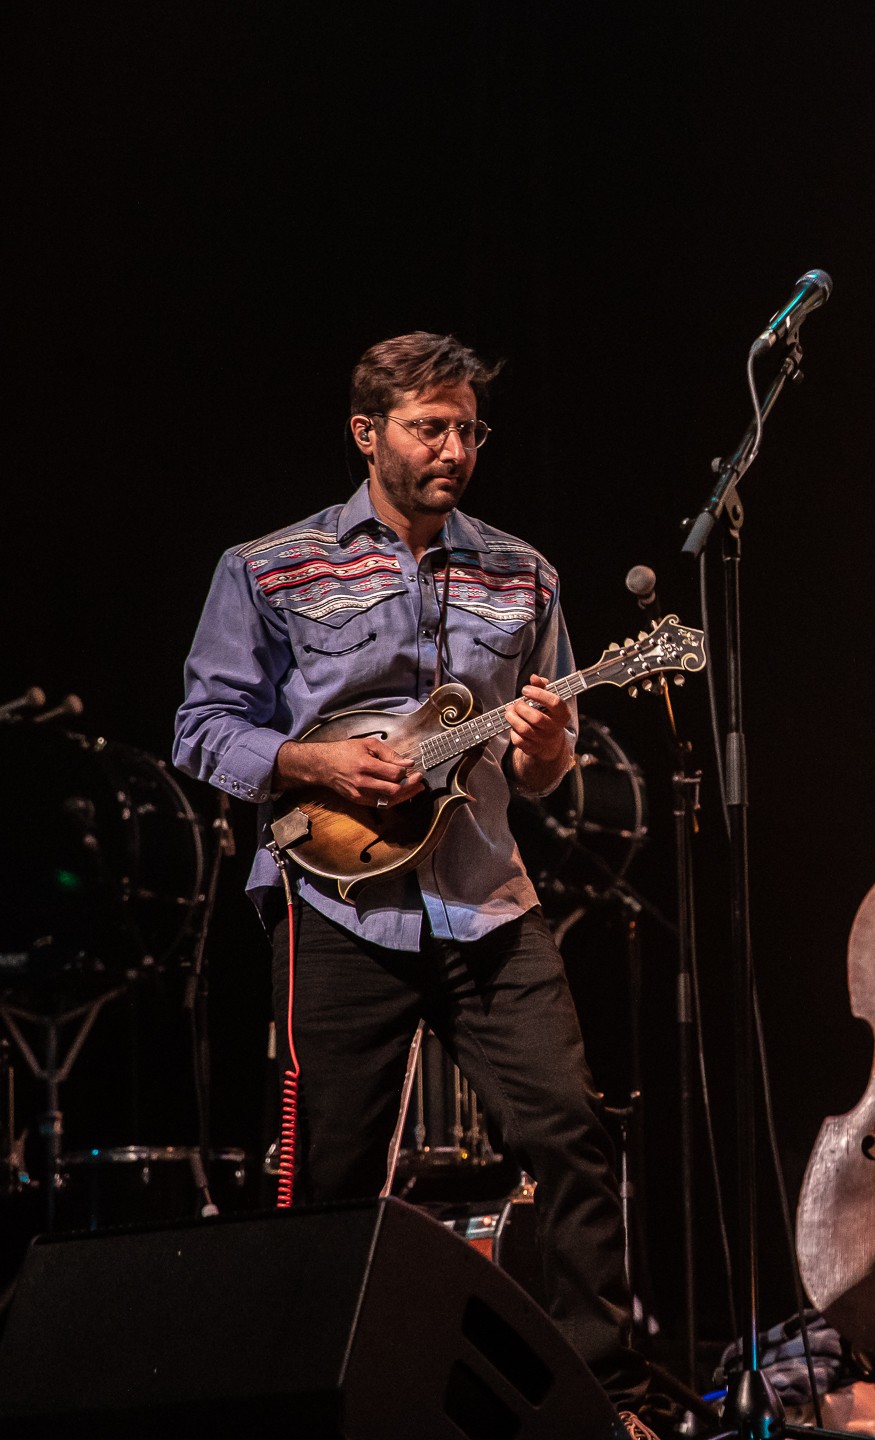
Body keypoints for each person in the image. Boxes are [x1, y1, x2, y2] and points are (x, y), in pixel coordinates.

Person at [174, 332, 668, 1440]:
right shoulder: (269, 566)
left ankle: (608, 1404)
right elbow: (202, 729)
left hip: (486, 901)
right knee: (333, 1171)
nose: (454, 449)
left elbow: (542, 771)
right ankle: (321, 1403)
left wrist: (546, 746)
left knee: (572, 1139)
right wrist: (314, 762)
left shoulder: (523, 573)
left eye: (469, 431)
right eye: (429, 428)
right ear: (368, 433)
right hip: (337, 902)